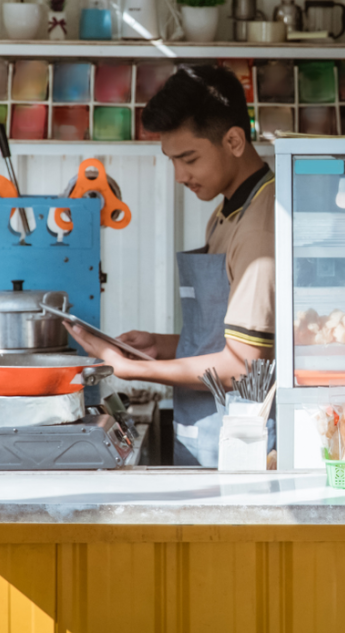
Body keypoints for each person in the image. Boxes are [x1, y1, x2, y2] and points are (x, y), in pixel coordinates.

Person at [68, 65, 275, 467]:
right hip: (213, 430)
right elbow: (230, 336)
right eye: (172, 160)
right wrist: (159, 346)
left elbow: (244, 365)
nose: (180, 175)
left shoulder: (259, 229)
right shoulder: (225, 214)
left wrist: (133, 369)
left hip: (247, 445)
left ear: (233, 140)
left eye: (189, 158)